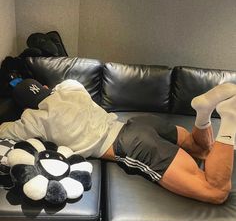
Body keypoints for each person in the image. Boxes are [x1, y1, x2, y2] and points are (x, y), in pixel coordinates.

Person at [0, 78, 235, 204]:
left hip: (132, 143)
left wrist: (22, 112)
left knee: (214, 191)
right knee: (201, 149)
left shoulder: (34, 119)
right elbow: (61, 85)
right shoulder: (71, 88)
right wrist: (48, 89)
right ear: (44, 87)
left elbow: (5, 130)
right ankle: (203, 113)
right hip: (139, 123)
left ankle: (230, 120)